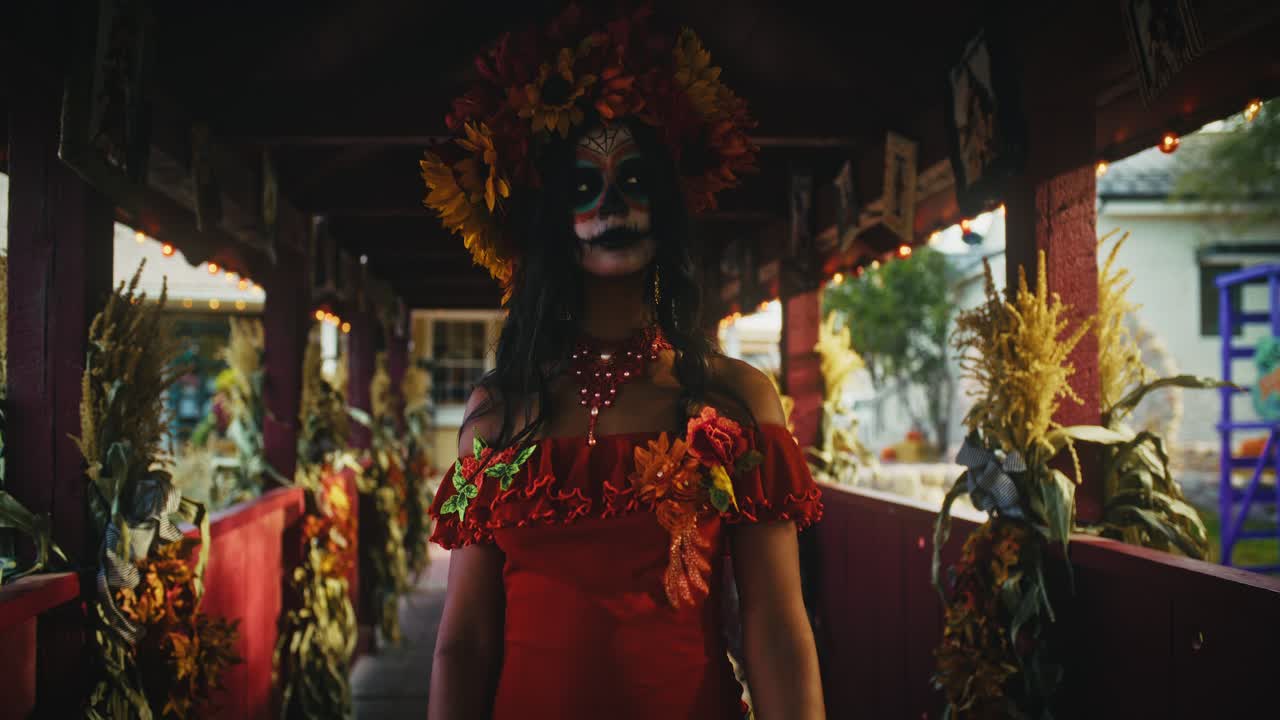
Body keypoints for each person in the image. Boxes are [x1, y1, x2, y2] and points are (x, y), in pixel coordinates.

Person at [421, 6, 825, 718]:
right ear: (548, 220)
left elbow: (777, 629)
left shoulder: (735, 403)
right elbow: (464, 643)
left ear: (666, 205)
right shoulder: (499, 412)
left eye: (635, 182)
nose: (612, 205)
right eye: (583, 189)